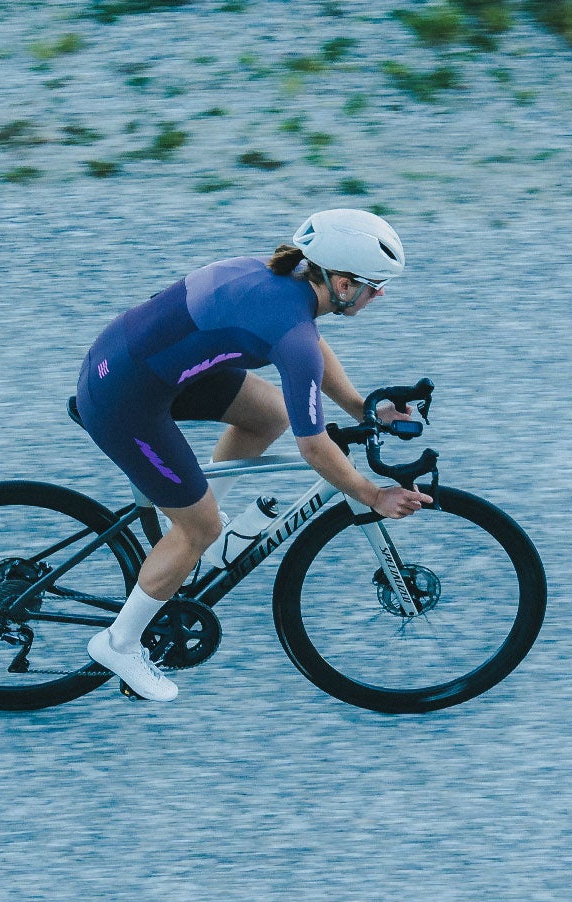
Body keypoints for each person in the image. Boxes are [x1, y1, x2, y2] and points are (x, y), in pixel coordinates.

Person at [70, 209, 431, 702]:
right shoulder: (292, 331)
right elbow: (314, 446)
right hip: (123, 399)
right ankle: (120, 643)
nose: (380, 295)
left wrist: (361, 406)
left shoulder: (285, 279)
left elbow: (310, 348)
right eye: (375, 286)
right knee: (198, 529)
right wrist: (373, 495)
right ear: (343, 285)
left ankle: (198, 527)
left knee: (271, 415)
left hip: (133, 362)